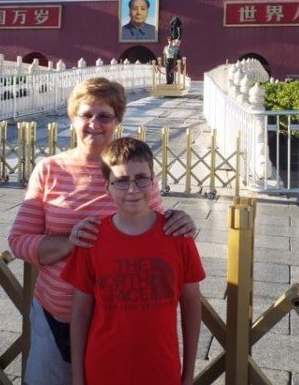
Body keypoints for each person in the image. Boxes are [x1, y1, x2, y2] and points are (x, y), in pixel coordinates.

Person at [8, 77, 196, 385]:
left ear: (118, 121)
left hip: (115, 324)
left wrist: (180, 222)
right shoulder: (49, 169)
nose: (94, 124)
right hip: (57, 314)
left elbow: (154, 232)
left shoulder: (130, 175)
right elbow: (18, 241)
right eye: (86, 114)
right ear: (72, 118)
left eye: (105, 116)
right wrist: (69, 243)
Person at [62, 137, 205, 385]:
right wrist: (77, 377)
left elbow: (192, 306)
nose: (132, 189)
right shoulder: (92, 240)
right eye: (121, 181)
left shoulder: (178, 237)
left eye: (141, 178)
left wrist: (189, 374)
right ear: (107, 186)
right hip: (103, 369)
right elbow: (81, 312)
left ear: (153, 181)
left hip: (161, 369)